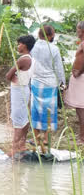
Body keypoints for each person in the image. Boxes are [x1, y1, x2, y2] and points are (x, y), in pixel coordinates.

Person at [30, 24, 66, 152]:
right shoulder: (54, 48)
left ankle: (35, 138)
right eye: (53, 34)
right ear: (49, 35)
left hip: (35, 81)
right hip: (50, 83)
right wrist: (63, 83)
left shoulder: (33, 46)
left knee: (35, 109)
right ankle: (45, 138)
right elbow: (59, 68)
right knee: (48, 110)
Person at [6, 35, 36, 155]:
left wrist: (13, 77)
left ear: (25, 45)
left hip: (19, 90)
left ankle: (14, 148)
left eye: (19, 44)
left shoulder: (23, 59)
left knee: (18, 118)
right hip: (24, 88)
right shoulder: (31, 58)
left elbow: (8, 75)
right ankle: (22, 145)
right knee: (24, 117)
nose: (18, 46)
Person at [65, 21, 84, 142]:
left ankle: (82, 137)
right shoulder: (81, 43)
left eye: (78, 29)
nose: (76, 31)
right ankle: (81, 135)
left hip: (81, 78)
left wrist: (80, 71)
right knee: (79, 108)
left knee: (82, 109)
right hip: (78, 79)